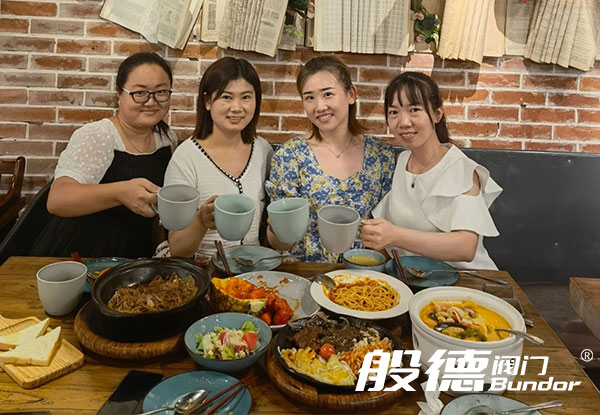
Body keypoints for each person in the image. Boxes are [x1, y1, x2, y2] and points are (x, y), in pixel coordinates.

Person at [31, 52, 177, 258]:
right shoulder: (99, 135)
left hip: (135, 251)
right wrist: (120, 192)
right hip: (85, 250)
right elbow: (58, 200)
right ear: (119, 94)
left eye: (161, 92)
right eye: (140, 93)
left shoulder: (167, 138)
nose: (151, 101)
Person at [361, 71, 502, 269]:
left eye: (414, 109)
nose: (403, 122)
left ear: (437, 114)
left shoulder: (460, 168)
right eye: (393, 112)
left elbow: (465, 247)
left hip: (469, 280)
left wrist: (395, 236)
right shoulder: (402, 161)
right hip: (415, 277)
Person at [265, 56, 395, 263]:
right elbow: (279, 243)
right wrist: (278, 231)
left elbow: (387, 231)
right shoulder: (289, 156)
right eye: (309, 98)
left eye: (328, 94)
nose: (319, 106)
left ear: (351, 94)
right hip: (303, 271)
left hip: (361, 272)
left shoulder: (381, 155)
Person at [164, 57, 272, 258]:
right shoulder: (186, 158)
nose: (237, 107)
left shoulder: (263, 151)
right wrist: (201, 221)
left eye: (246, 97)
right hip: (203, 270)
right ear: (207, 101)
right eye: (226, 97)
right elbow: (177, 250)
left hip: (254, 270)